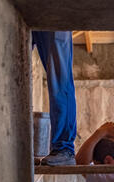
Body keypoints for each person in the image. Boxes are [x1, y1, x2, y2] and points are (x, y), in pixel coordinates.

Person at [32, 31, 77, 166]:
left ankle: (64, 149)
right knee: (15, 70)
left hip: (54, 11)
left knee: (59, 78)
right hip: (31, 10)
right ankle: (19, 147)